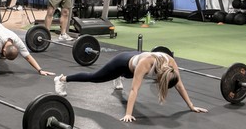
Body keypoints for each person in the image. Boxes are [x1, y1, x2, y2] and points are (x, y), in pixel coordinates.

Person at [53, 49, 207, 122]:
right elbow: (134, 89)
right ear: (161, 77)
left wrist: (191, 106)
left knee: (131, 77)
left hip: (132, 68)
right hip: (122, 64)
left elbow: (179, 85)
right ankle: (62, 79)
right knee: (95, 78)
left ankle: (119, 79)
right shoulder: (146, 64)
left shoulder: (171, 65)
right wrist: (128, 113)